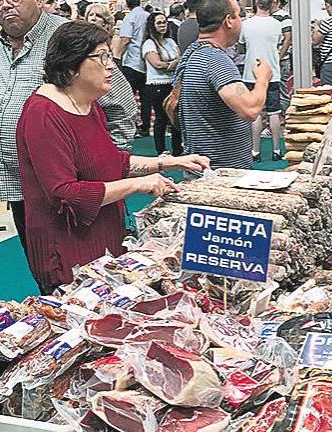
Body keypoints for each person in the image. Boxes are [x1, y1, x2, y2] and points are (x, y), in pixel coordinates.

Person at [17, 21, 209, 290]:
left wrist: (168, 162)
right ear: (72, 65)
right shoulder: (43, 114)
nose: (111, 66)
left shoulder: (88, 104)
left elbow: (110, 161)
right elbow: (66, 193)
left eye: (110, 55)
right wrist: (137, 184)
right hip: (66, 251)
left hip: (102, 242)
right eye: (102, 57)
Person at [0, 0, 65, 289]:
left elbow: (118, 101)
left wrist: (108, 159)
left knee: (71, 270)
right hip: (15, 182)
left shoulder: (66, 37)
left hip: (62, 185)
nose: (5, 5)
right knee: (40, 267)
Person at [176, 0, 272, 170]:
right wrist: (263, 79)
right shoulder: (216, 60)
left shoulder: (191, 54)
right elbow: (250, 110)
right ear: (229, 21)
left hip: (203, 170)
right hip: (221, 174)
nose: (242, 22)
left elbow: (175, 109)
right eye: (239, 15)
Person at [87, 4, 139, 150]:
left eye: (98, 15)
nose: (93, 18)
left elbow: (122, 106)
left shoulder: (114, 39)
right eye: (91, 14)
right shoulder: (80, 41)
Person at [239, 0, 283, 162]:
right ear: (271, 4)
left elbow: (241, 46)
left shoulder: (246, 25)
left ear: (256, 4)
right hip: (272, 73)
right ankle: (277, 150)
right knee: (274, 112)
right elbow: (279, 44)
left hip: (251, 73)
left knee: (255, 113)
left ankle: (255, 151)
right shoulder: (276, 24)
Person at [143, 11, 183, 155]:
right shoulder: (148, 44)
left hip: (172, 85)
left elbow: (180, 59)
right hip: (156, 85)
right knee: (161, 118)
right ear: (152, 26)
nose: (163, 25)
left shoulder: (171, 42)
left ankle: (178, 149)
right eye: (159, 23)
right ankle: (161, 150)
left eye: (164, 22)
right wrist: (172, 64)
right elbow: (157, 64)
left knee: (175, 117)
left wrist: (171, 64)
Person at [116, 0, 151, 137]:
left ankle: (131, 126)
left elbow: (125, 40)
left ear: (126, 3)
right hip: (148, 62)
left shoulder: (130, 17)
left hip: (132, 61)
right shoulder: (148, 15)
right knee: (145, 98)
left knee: (127, 96)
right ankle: (145, 127)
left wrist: (118, 57)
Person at [271, 0, 292, 111]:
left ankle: (285, 118)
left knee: (282, 91)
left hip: (281, 59)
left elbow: (288, 38)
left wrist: (279, 57)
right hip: (270, 59)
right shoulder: (268, 16)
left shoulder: (284, 16)